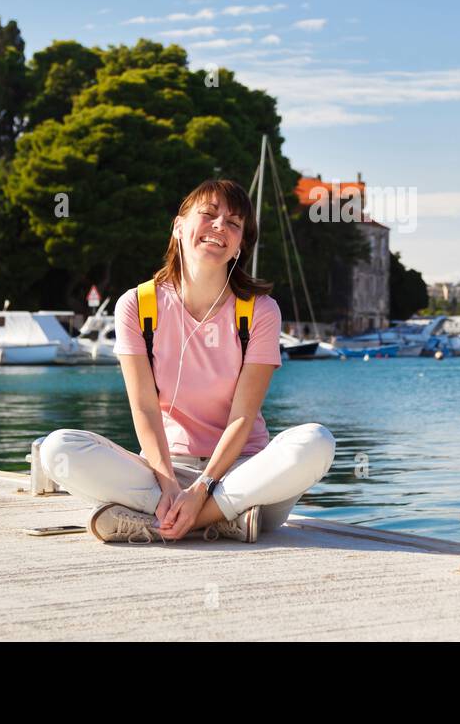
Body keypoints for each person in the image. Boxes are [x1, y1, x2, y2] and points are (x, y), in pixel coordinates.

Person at [39, 179, 336, 544]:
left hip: (242, 477)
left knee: (316, 442)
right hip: (165, 473)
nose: (219, 227)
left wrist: (203, 490)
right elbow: (144, 407)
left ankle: (178, 521)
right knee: (58, 448)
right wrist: (167, 482)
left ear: (241, 244)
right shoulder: (137, 305)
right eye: (209, 215)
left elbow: (243, 416)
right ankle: (219, 522)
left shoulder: (259, 311)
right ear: (178, 226)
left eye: (233, 223)